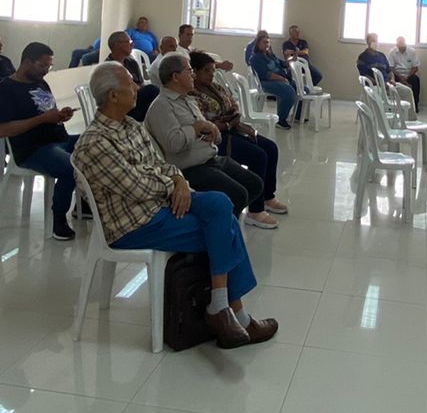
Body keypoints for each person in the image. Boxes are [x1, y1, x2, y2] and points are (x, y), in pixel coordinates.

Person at [73, 63, 277, 348]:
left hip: (160, 207)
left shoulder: (131, 126)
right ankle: (235, 316)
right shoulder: (95, 143)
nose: (136, 87)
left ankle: (221, 309)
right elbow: (138, 188)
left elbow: (163, 165)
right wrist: (174, 184)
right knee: (224, 226)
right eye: (130, 84)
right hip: (135, 224)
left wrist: (179, 181)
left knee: (220, 204)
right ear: (112, 96)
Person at [144, 52, 273, 227]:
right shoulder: (162, 106)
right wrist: (196, 129)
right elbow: (174, 144)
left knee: (255, 184)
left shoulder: (188, 99)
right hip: (189, 168)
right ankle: (217, 231)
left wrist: (211, 130)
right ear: (175, 77)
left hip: (211, 157)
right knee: (238, 194)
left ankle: (219, 222)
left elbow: (213, 133)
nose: (193, 75)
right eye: (189, 71)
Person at [0, 42, 82, 241]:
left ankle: (86, 205)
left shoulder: (40, 82)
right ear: (27, 62)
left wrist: (59, 115)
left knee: (95, 145)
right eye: (42, 66)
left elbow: (46, 111)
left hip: (58, 138)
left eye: (49, 66)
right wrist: (42, 119)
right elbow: (0, 130)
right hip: (32, 149)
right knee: (72, 167)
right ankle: (58, 220)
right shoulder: (6, 88)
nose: (46, 70)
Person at [192, 52, 288, 217]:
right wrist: (227, 122)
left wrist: (233, 116)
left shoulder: (216, 87)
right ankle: (255, 211)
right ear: (195, 71)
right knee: (258, 156)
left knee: (270, 148)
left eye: (213, 71)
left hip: (233, 128)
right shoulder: (192, 94)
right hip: (216, 138)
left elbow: (233, 103)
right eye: (207, 71)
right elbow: (203, 123)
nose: (212, 75)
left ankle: (267, 197)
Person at [248, 30, 299, 129]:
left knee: (302, 89)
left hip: (280, 79)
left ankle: (298, 116)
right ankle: (281, 120)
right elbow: (265, 74)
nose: (267, 44)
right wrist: (281, 78)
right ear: (258, 44)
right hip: (266, 83)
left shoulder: (270, 55)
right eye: (264, 42)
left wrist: (292, 59)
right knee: (289, 91)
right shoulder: (255, 58)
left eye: (268, 42)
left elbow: (282, 64)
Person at [386, 36, 421, 105]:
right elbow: (391, 68)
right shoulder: (392, 52)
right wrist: (401, 78)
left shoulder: (412, 52)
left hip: (409, 74)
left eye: (403, 43)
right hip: (396, 75)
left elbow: (415, 67)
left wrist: (407, 77)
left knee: (415, 80)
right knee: (390, 81)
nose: (402, 46)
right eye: (400, 44)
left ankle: (415, 104)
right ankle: (395, 104)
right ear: (397, 45)